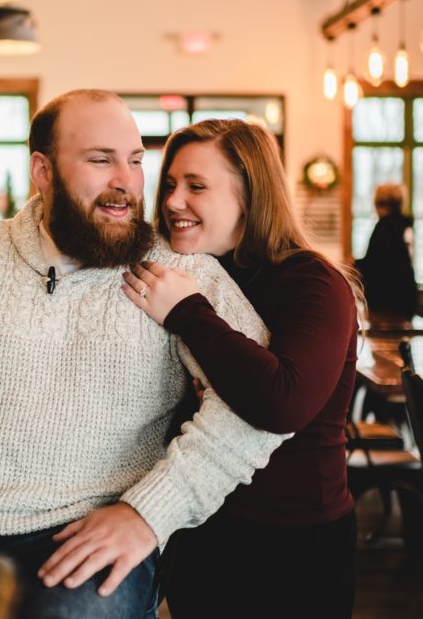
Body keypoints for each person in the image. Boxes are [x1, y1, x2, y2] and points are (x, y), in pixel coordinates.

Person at [0, 90, 287, 618]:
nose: (126, 182)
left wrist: (149, 513)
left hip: (86, 530)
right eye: (100, 159)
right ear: (42, 171)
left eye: (135, 161)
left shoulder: (184, 272)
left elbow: (256, 410)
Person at [120, 118, 361, 617]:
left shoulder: (313, 284)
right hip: (200, 530)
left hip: (294, 544)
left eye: (197, 186)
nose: (172, 202)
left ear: (250, 196)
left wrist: (188, 313)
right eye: (169, 185)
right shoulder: (194, 273)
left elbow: (282, 401)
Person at [356, 183, 418, 321]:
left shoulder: (384, 227)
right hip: (404, 296)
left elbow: (376, 264)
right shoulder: (403, 225)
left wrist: (353, 265)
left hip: (385, 299)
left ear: (378, 204)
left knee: (383, 340)